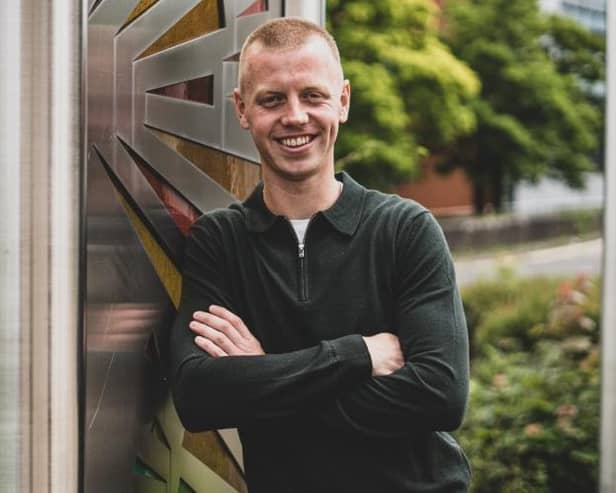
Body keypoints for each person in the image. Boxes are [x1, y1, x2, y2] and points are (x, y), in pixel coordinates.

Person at [170, 17, 471, 493]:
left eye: (312, 95)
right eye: (272, 99)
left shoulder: (405, 230)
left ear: (343, 101)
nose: (295, 116)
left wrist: (264, 369)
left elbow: (440, 396)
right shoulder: (219, 242)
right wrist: (354, 355)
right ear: (242, 108)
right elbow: (198, 396)